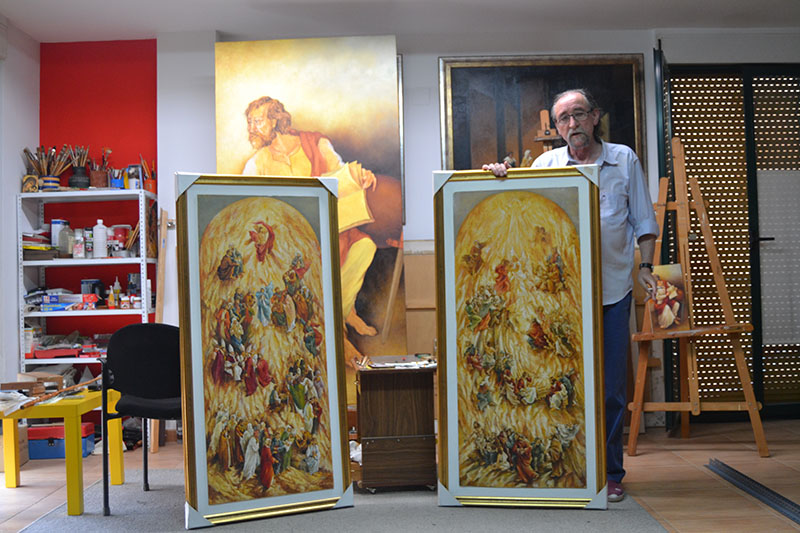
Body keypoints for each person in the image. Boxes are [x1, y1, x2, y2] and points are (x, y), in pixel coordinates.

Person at [483, 88, 658, 503]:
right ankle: (564, 468)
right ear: (557, 127)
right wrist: (498, 175)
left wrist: (646, 267)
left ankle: (610, 472)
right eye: (563, 118)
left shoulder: (623, 159)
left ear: (595, 116)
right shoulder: (545, 165)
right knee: (557, 384)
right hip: (557, 300)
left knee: (611, 388)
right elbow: (518, 208)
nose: (572, 123)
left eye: (579, 114)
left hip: (612, 292)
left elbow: (644, 222)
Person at [242, 96, 401, 366]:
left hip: (329, 227)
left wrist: (360, 176)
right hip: (289, 237)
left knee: (364, 246)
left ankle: (344, 311)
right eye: (249, 123)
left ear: (276, 120)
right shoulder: (256, 164)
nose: (251, 129)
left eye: (257, 121)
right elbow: (252, 208)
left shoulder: (314, 144)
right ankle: (338, 335)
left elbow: (340, 176)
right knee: (312, 261)